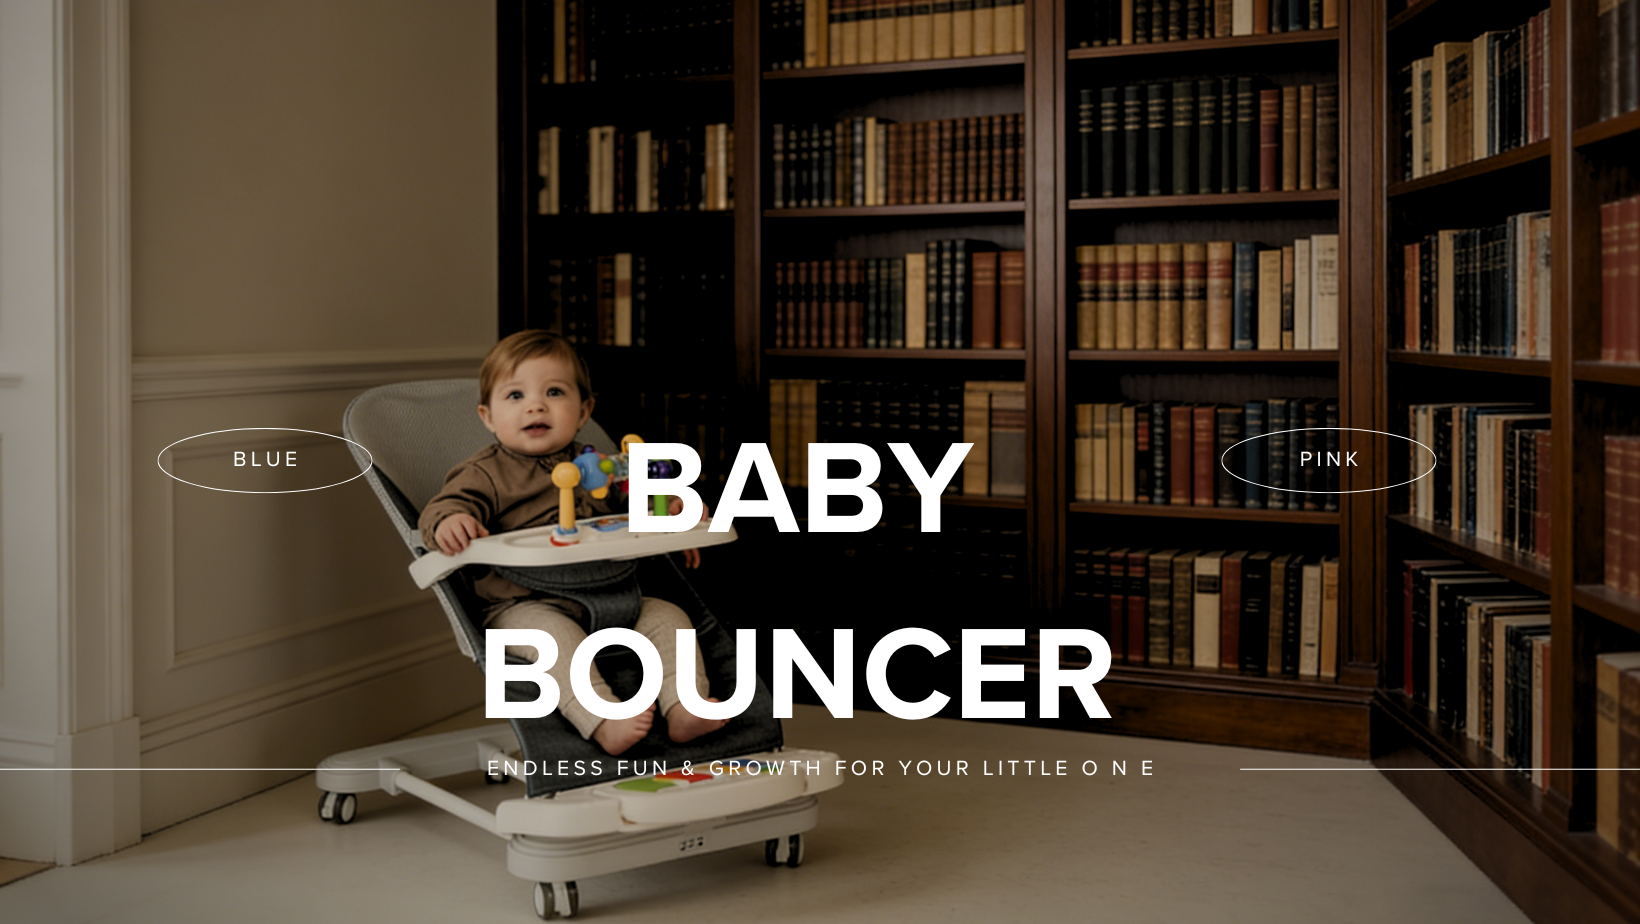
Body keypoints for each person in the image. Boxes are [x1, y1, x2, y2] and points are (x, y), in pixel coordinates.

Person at [418, 329, 724, 756]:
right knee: (556, 639)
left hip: (611, 595)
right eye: (515, 396)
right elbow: (442, 507)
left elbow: (638, 501)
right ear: (487, 417)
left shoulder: (598, 466)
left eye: (555, 392)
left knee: (668, 616)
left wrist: (673, 515)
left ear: (584, 411)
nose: (536, 405)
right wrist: (451, 521)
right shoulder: (484, 474)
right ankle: (600, 719)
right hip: (523, 606)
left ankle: (684, 707)